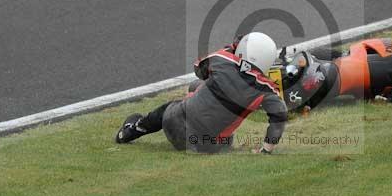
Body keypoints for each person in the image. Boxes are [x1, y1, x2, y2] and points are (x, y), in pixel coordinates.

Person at [115, 32, 288, 154]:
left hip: (172, 123)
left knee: (181, 99)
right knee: (197, 90)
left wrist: (231, 48)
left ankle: (134, 129)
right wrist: (266, 150)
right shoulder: (266, 89)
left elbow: (199, 69)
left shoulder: (222, 59)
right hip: (206, 146)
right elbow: (279, 118)